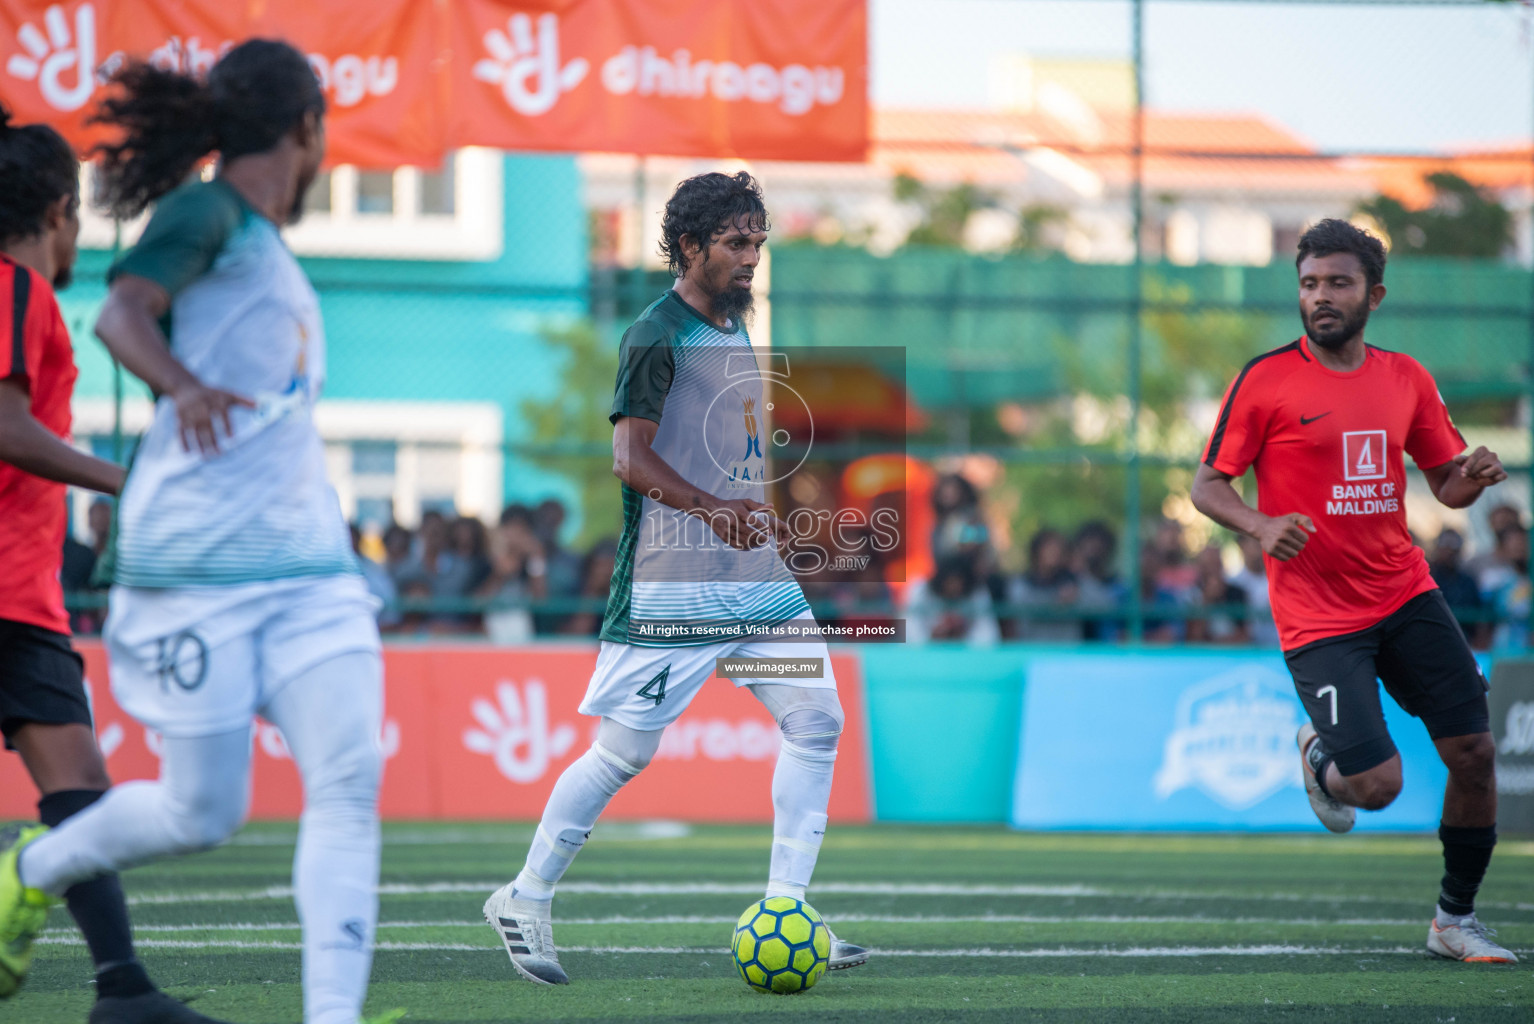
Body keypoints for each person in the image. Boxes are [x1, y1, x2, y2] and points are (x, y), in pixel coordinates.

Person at [0, 43, 392, 1022]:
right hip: (195, 571)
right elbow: (123, 315)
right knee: (200, 810)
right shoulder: (209, 211)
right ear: (306, 128)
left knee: (349, 778)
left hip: (308, 568)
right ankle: (40, 874)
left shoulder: (266, 246)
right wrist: (181, 390)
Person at [482, 170, 866, 985]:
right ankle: (525, 894)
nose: (751, 256)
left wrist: (769, 518)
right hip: (676, 584)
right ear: (688, 245)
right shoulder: (656, 333)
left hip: (756, 582)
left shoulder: (735, 328)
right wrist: (709, 507)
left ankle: (788, 909)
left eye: (758, 241)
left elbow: (734, 454)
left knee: (817, 722)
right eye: (735, 241)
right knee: (624, 752)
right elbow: (629, 456)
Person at [1191, 218, 1513, 963]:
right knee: (1374, 789)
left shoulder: (1405, 378)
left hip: (1405, 592)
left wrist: (1476, 474)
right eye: (1309, 284)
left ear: (1375, 293)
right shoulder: (1265, 378)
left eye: (1338, 283)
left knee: (1474, 751)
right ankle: (1320, 761)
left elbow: (1446, 485)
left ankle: (1453, 920)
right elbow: (1208, 485)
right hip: (1317, 615)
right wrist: (1260, 525)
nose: (1321, 297)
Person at [0, 105, 230, 1023]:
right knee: (81, 799)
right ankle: (122, 988)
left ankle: (122, 990)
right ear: (59, 210)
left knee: (80, 793)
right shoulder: (17, 291)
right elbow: (9, 429)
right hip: (10, 597)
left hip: (23, 594)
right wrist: (127, 479)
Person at [1428, 528, 1485, 649]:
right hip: (1433, 638)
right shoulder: (1428, 577)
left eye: (1454, 546)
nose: (1449, 551)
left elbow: (1479, 612)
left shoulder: (1467, 580)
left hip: (1465, 639)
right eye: (1445, 545)